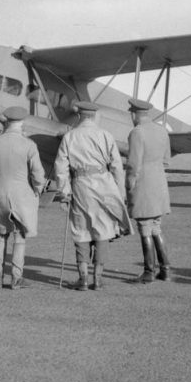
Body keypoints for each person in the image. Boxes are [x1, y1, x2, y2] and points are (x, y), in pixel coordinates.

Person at [54, 101, 132, 291]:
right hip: (105, 185)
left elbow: (61, 167)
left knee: (81, 229)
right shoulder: (106, 135)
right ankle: (97, 279)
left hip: (81, 186)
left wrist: (64, 192)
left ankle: (83, 279)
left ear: (79, 116)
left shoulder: (69, 136)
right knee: (103, 229)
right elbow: (116, 166)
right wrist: (120, 193)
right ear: (94, 116)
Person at [0, 106, 46, 290]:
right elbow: (38, 173)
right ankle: (16, 278)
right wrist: (38, 190)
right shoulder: (29, 145)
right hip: (21, 195)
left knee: (1, 234)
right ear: (22, 122)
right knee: (20, 236)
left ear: (7, 121)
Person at [125, 98, 172, 283]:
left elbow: (133, 164)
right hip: (159, 183)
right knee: (155, 226)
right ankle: (165, 270)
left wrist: (129, 183)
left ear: (133, 114)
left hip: (143, 183)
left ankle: (148, 271)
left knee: (144, 227)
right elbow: (167, 160)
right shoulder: (162, 131)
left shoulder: (137, 132)